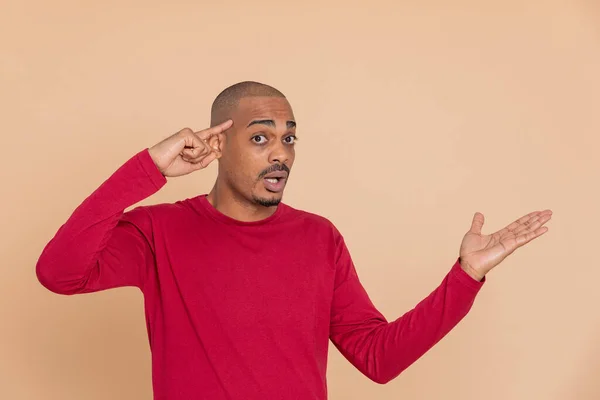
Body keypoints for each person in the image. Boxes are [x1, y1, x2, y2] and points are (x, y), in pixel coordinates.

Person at [36, 81, 552, 400]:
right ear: (218, 144)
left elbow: (378, 358)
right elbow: (59, 273)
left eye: (289, 137)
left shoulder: (319, 239)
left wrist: (465, 277)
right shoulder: (158, 232)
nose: (280, 153)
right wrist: (146, 168)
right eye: (260, 138)